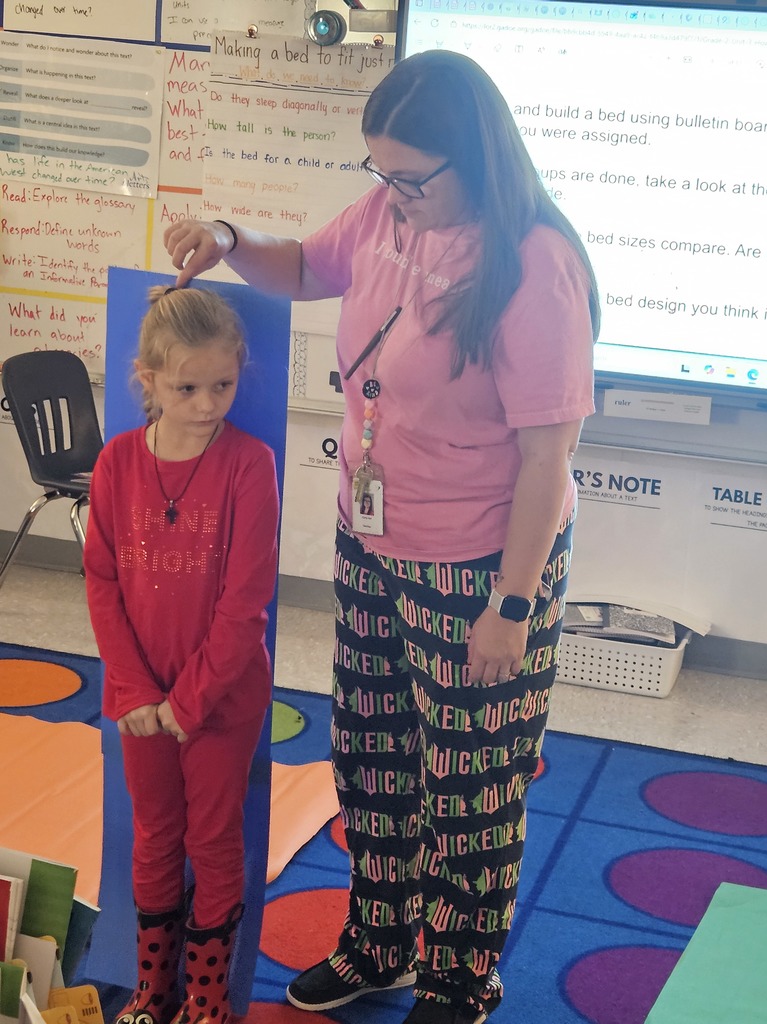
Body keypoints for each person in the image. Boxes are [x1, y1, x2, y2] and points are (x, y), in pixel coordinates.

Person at [164, 48, 598, 1024]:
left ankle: (458, 977)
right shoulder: (388, 216)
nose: (393, 195)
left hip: (487, 565)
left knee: (470, 786)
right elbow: (307, 264)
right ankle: (381, 940)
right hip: (373, 543)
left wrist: (511, 609)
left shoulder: (536, 265)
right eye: (381, 173)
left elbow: (546, 461)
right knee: (374, 756)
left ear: (474, 159)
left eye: (412, 177)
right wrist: (230, 234)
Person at [84, 286, 279, 1024]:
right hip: (141, 704)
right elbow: (102, 580)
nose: (206, 404)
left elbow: (244, 604)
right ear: (148, 379)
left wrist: (187, 703)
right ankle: (151, 990)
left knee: (213, 836)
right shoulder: (117, 463)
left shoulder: (248, 465)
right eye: (186, 387)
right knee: (155, 835)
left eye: (222, 386)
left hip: (220, 700)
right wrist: (134, 692)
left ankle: (205, 998)